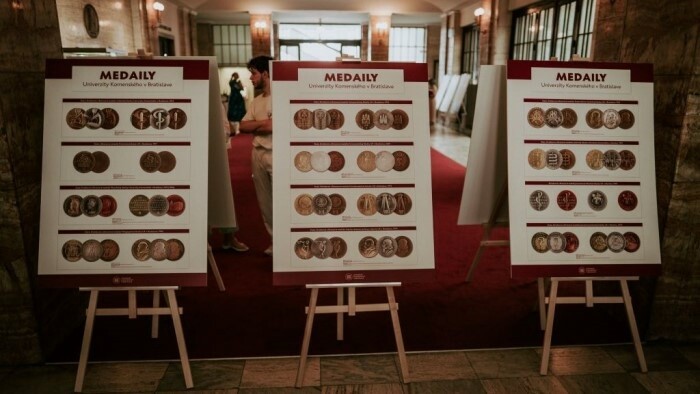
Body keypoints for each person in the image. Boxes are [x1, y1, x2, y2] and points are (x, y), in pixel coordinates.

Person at [240, 55, 274, 256]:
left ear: (266, 73)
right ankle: (273, 240)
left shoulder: (282, 97)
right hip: (257, 153)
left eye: (253, 74)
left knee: (280, 201)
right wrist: (263, 124)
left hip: (275, 154)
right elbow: (244, 126)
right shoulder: (256, 101)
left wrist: (257, 125)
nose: (251, 79)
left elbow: (275, 126)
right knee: (264, 202)